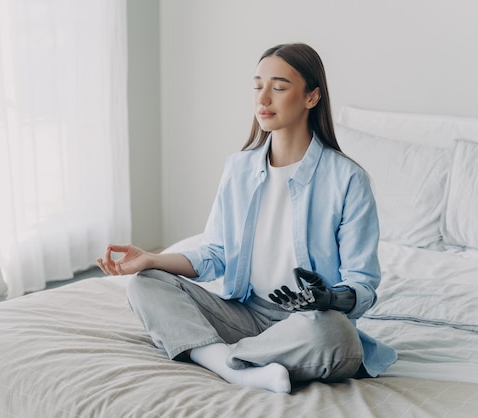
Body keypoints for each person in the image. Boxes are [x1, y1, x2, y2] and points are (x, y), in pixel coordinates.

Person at [97, 43, 397, 393]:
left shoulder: (347, 179)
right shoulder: (238, 169)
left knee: (337, 334)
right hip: (244, 316)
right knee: (147, 282)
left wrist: (330, 299)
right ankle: (234, 366)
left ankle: (214, 355)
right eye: (258, 86)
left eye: (279, 87)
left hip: (307, 324)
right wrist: (153, 259)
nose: (263, 99)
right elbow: (215, 255)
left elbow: (362, 283)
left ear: (311, 97)